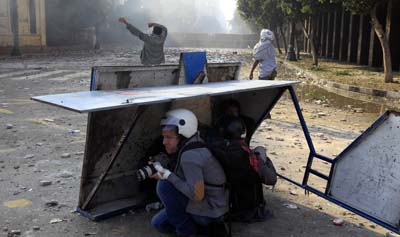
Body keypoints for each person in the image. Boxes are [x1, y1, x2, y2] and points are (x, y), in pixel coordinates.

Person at [150, 108, 228, 236]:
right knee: (158, 223)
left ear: (183, 135)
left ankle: (187, 232)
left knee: (164, 186)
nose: (164, 142)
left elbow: (197, 195)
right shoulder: (193, 141)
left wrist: (167, 175)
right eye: (164, 137)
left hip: (210, 211)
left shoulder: (190, 156)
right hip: (213, 201)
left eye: (169, 137)